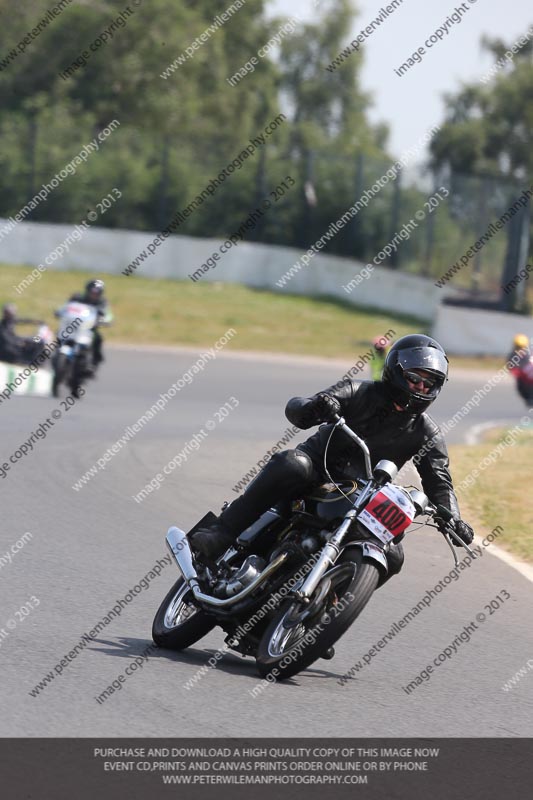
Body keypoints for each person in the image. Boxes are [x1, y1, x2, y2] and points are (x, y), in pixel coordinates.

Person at [191, 334, 475, 581]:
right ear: (397, 371)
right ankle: (222, 532)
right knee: (292, 464)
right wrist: (318, 406)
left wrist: (454, 519)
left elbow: (439, 479)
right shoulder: (359, 391)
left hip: (362, 495)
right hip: (317, 470)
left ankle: (326, 612)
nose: (421, 388)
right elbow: (299, 409)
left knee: (394, 554)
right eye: (415, 378)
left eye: (430, 383)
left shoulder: (426, 432)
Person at [66, 279, 113, 368]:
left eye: (96, 293)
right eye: (92, 292)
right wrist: (60, 312)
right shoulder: (77, 297)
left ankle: (94, 361)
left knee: (98, 339)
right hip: (73, 326)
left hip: (89, 328)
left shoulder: (102, 302)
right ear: (87, 291)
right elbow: (66, 307)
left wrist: (105, 321)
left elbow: (108, 315)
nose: (93, 295)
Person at [508, 333, 533, 406]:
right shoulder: (512, 356)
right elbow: (512, 368)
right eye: (518, 347)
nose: (519, 349)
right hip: (524, 381)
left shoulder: (529, 354)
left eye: (521, 347)